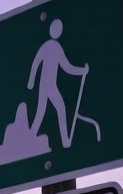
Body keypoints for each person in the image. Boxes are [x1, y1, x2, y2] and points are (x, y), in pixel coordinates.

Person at [25, 19, 88, 148]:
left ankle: (64, 141)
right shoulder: (49, 46)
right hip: (46, 86)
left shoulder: (55, 47)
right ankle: (59, 140)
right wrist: (30, 81)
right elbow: (36, 61)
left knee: (53, 109)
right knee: (44, 111)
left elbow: (67, 67)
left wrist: (82, 71)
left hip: (50, 86)